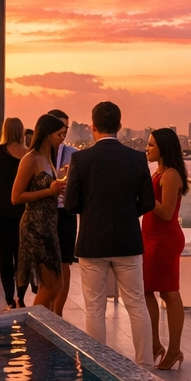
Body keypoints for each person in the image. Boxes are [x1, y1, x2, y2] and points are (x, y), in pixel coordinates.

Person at [64, 101, 156, 365]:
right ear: (119, 126)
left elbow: (71, 204)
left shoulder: (80, 159)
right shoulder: (137, 158)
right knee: (137, 304)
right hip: (128, 240)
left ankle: (97, 365)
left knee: (94, 307)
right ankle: (145, 365)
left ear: (92, 127)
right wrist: (127, 213)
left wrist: (93, 212)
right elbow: (148, 202)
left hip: (93, 242)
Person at [142, 128, 189, 370]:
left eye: (151, 145)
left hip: (164, 240)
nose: (147, 148)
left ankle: (174, 349)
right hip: (150, 237)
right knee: (147, 290)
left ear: (163, 147)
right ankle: (155, 344)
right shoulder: (157, 172)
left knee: (169, 293)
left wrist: (144, 197)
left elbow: (167, 212)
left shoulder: (170, 175)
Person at [13, 114, 68, 310]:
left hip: (48, 225)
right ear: (47, 135)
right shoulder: (31, 158)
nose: (63, 138)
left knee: (56, 283)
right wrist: (49, 191)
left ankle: (42, 323)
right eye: (60, 134)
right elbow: (16, 196)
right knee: (51, 284)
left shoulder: (47, 158)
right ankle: (34, 323)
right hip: (35, 227)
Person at [0, 116, 29, 308]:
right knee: (21, 256)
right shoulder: (28, 154)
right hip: (21, 209)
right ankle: (21, 297)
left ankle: (9, 299)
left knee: (4, 256)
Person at [47, 108, 78, 310]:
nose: (64, 131)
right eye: (60, 126)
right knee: (47, 263)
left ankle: (58, 312)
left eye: (66, 126)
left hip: (65, 211)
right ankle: (46, 310)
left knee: (65, 262)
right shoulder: (37, 153)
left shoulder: (72, 154)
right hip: (45, 211)